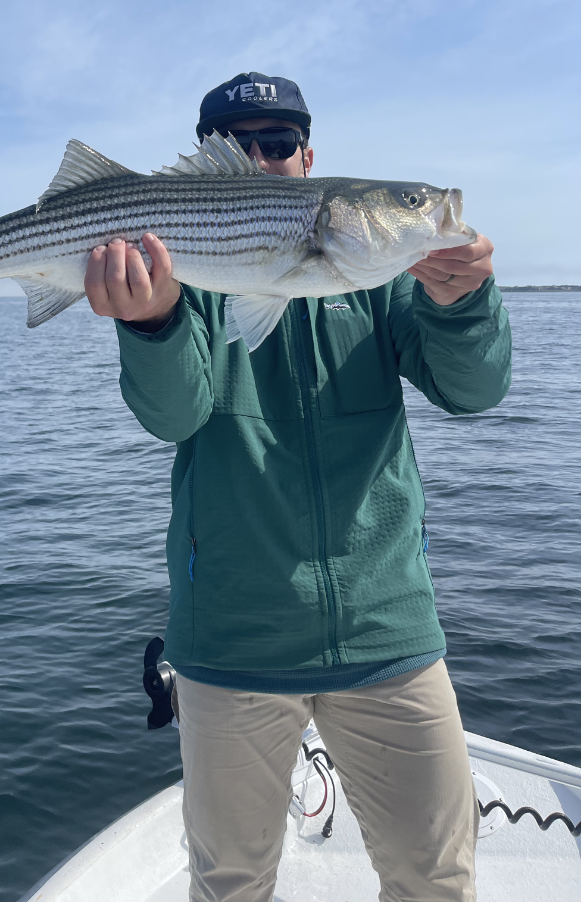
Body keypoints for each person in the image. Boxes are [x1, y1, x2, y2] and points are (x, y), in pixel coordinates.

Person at [84, 71, 512, 902]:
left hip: (389, 634)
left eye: (278, 143)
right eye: (239, 144)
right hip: (234, 640)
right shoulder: (193, 282)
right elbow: (173, 415)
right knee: (232, 885)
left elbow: (475, 389)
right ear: (209, 158)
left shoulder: (388, 279)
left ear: (310, 161)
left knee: (437, 882)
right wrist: (152, 321)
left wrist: (464, 304)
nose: (262, 156)